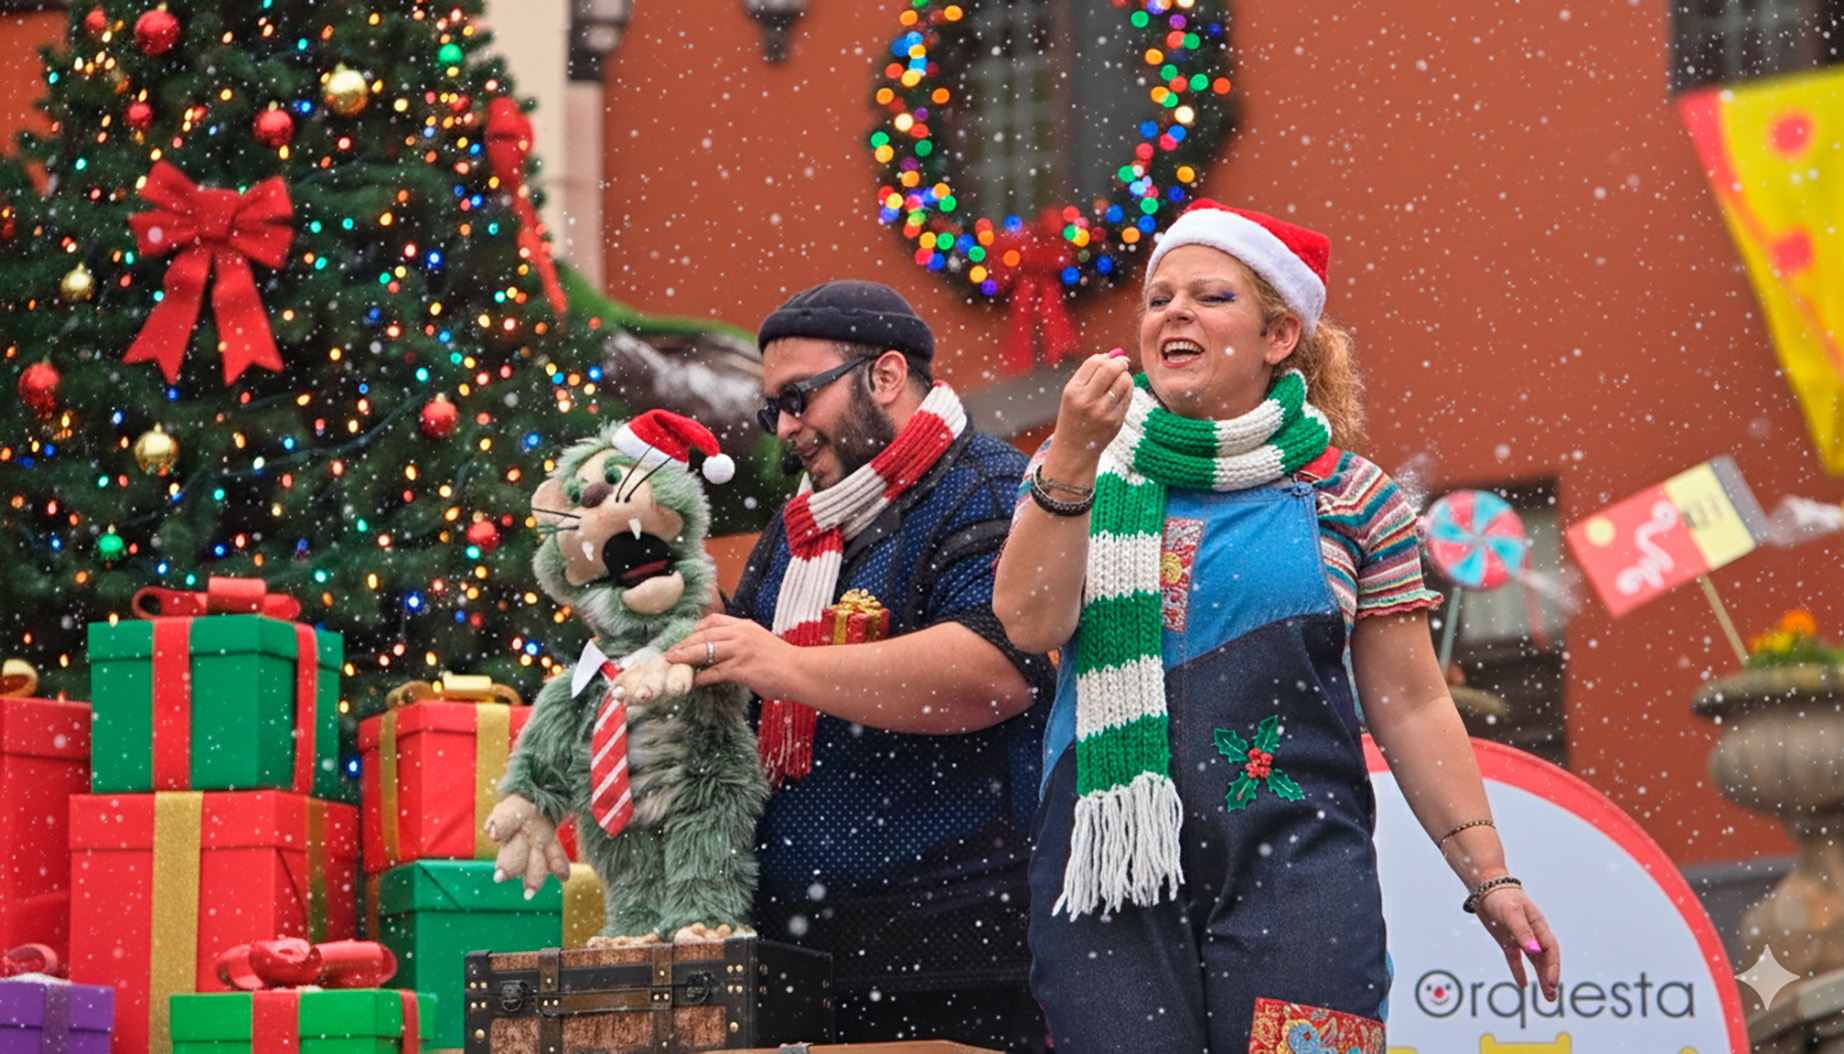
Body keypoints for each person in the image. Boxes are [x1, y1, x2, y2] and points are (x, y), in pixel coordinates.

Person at [991, 200, 1561, 1052]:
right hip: (1108, 876)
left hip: (1301, 877)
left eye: (1210, 296)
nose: (1174, 313)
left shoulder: (1356, 497)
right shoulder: (1074, 468)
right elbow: (1028, 618)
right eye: (1159, 299)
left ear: (1280, 335)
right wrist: (1071, 454)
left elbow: (1410, 704)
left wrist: (1490, 876)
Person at [662, 280, 1054, 1051]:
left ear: (886, 376)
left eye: (798, 397)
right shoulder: (803, 522)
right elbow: (752, 685)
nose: (785, 426)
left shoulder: (989, 486)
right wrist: (690, 618)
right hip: (794, 956)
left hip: (954, 950)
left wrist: (782, 663)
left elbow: (994, 670)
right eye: (771, 408)